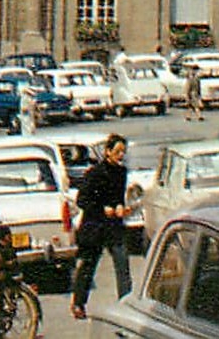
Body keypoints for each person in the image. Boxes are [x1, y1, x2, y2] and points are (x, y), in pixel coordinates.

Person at [70, 133, 132, 321]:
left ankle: (126, 304)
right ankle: (78, 303)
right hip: (94, 227)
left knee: (122, 265)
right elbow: (82, 200)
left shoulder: (121, 173)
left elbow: (118, 197)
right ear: (107, 152)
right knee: (88, 266)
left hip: (114, 227)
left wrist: (121, 207)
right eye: (117, 151)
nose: (120, 155)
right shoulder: (95, 173)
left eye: (123, 152)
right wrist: (101, 209)